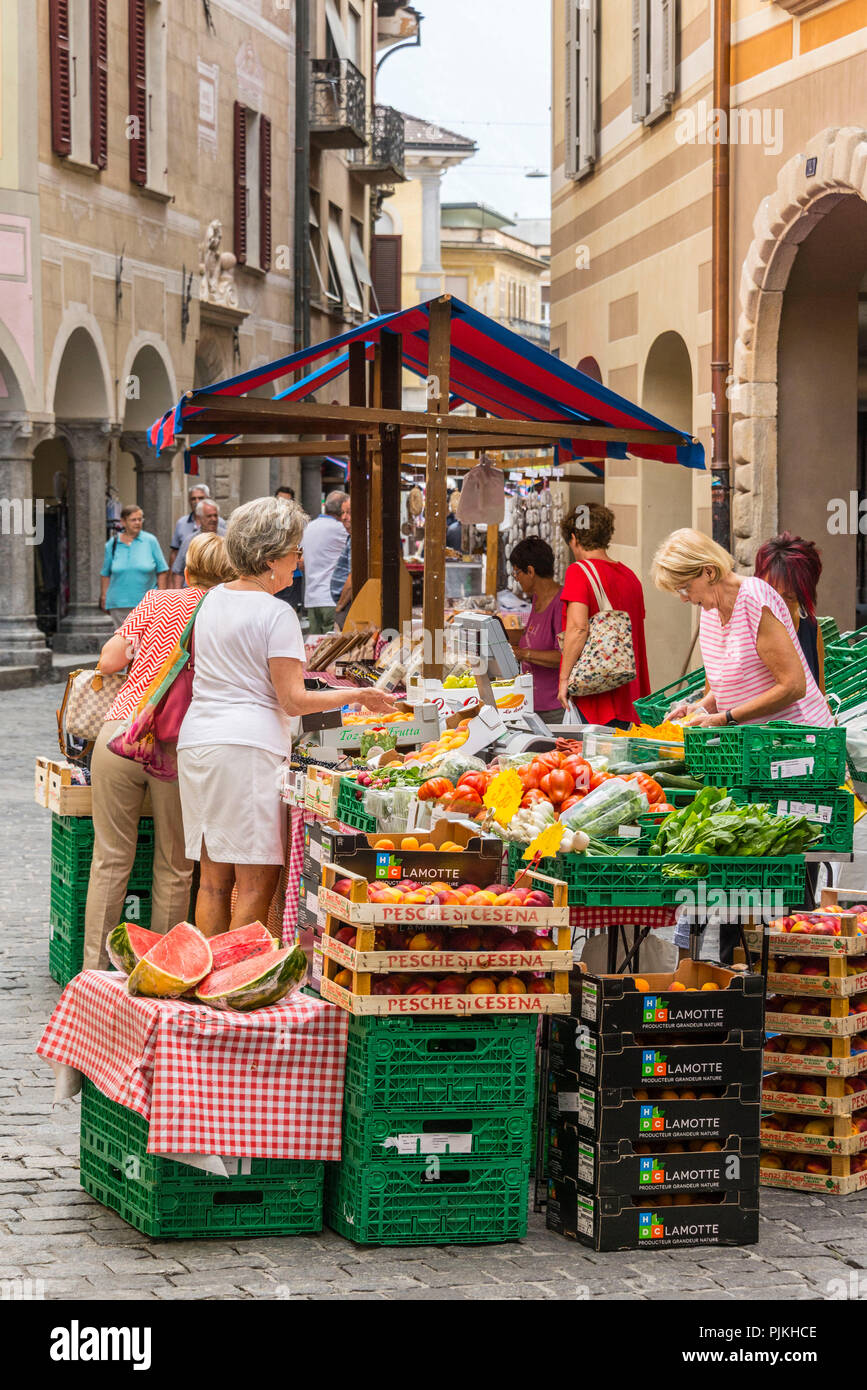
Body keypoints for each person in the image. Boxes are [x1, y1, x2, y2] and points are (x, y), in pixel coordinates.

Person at [176, 496, 397, 935]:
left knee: (214, 882)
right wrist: (359, 694)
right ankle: (237, 985)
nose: (298, 562)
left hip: (199, 743)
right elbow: (293, 700)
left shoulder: (211, 600)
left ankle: (209, 983)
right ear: (270, 556)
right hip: (246, 751)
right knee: (257, 882)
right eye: (295, 552)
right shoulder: (275, 613)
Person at [83, 534, 237, 970]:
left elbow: (110, 659)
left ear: (186, 572)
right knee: (174, 866)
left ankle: (92, 972)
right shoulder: (226, 611)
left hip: (122, 732)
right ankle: (161, 973)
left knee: (110, 860)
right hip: (179, 745)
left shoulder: (157, 601)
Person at [651, 529, 834, 729]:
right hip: (756, 745)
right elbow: (729, 685)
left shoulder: (755, 599)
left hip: (797, 742)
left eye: (685, 588)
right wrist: (699, 709)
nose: (684, 598)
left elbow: (793, 686)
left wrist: (725, 718)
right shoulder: (710, 611)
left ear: (709, 572)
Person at [557, 502, 650, 727]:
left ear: (574, 538)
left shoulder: (578, 572)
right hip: (630, 695)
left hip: (596, 697)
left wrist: (563, 679)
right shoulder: (630, 577)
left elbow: (579, 628)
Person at [754, 532, 825, 693]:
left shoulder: (811, 629)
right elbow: (716, 703)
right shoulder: (741, 629)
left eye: (789, 597)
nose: (776, 604)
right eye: (769, 592)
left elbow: (820, 699)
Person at [508, 537, 564, 726]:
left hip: (553, 707)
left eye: (517, 572)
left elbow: (563, 656)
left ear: (530, 571)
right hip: (531, 703)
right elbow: (531, 635)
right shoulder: (537, 598)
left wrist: (523, 654)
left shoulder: (561, 604)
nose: (516, 578)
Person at [99, 505, 169, 627]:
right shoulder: (113, 543)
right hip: (119, 605)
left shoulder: (150, 541)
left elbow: (162, 570)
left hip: (147, 605)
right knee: (123, 643)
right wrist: (104, 596)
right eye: (133, 520)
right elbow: (105, 573)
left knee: (144, 643)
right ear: (123, 522)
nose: (137, 523)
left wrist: (161, 597)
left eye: (140, 519)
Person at [302, 490, 349, 633]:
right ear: (342, 509)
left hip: (312, 599)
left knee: (316, 650)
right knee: (335, 650)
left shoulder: (308, 528)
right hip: (332, 600)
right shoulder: (341, 529)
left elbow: (301, 562)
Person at [171, 499, 225, 588]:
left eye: (215, 515)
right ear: (199, 518)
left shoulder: (227, 538)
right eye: (209, 516)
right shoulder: (189, 540)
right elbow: (178, 571)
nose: (214, 519)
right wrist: (179, 594)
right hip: (193, 592)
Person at [170, 482, 211, 566]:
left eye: (200, 498)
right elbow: (174, 552)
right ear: (189, 501)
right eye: (193, 499)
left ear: (208, 499)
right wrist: (170, 577)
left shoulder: (218, 522)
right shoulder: (181, 523)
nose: (197, 501)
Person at [331, 497, 352, 629]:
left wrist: (339, 606)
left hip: (348, 604)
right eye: (342, 513)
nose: (344, 517)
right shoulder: (351, 537)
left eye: (349, 512)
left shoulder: (359, 538)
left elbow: (353, 577)